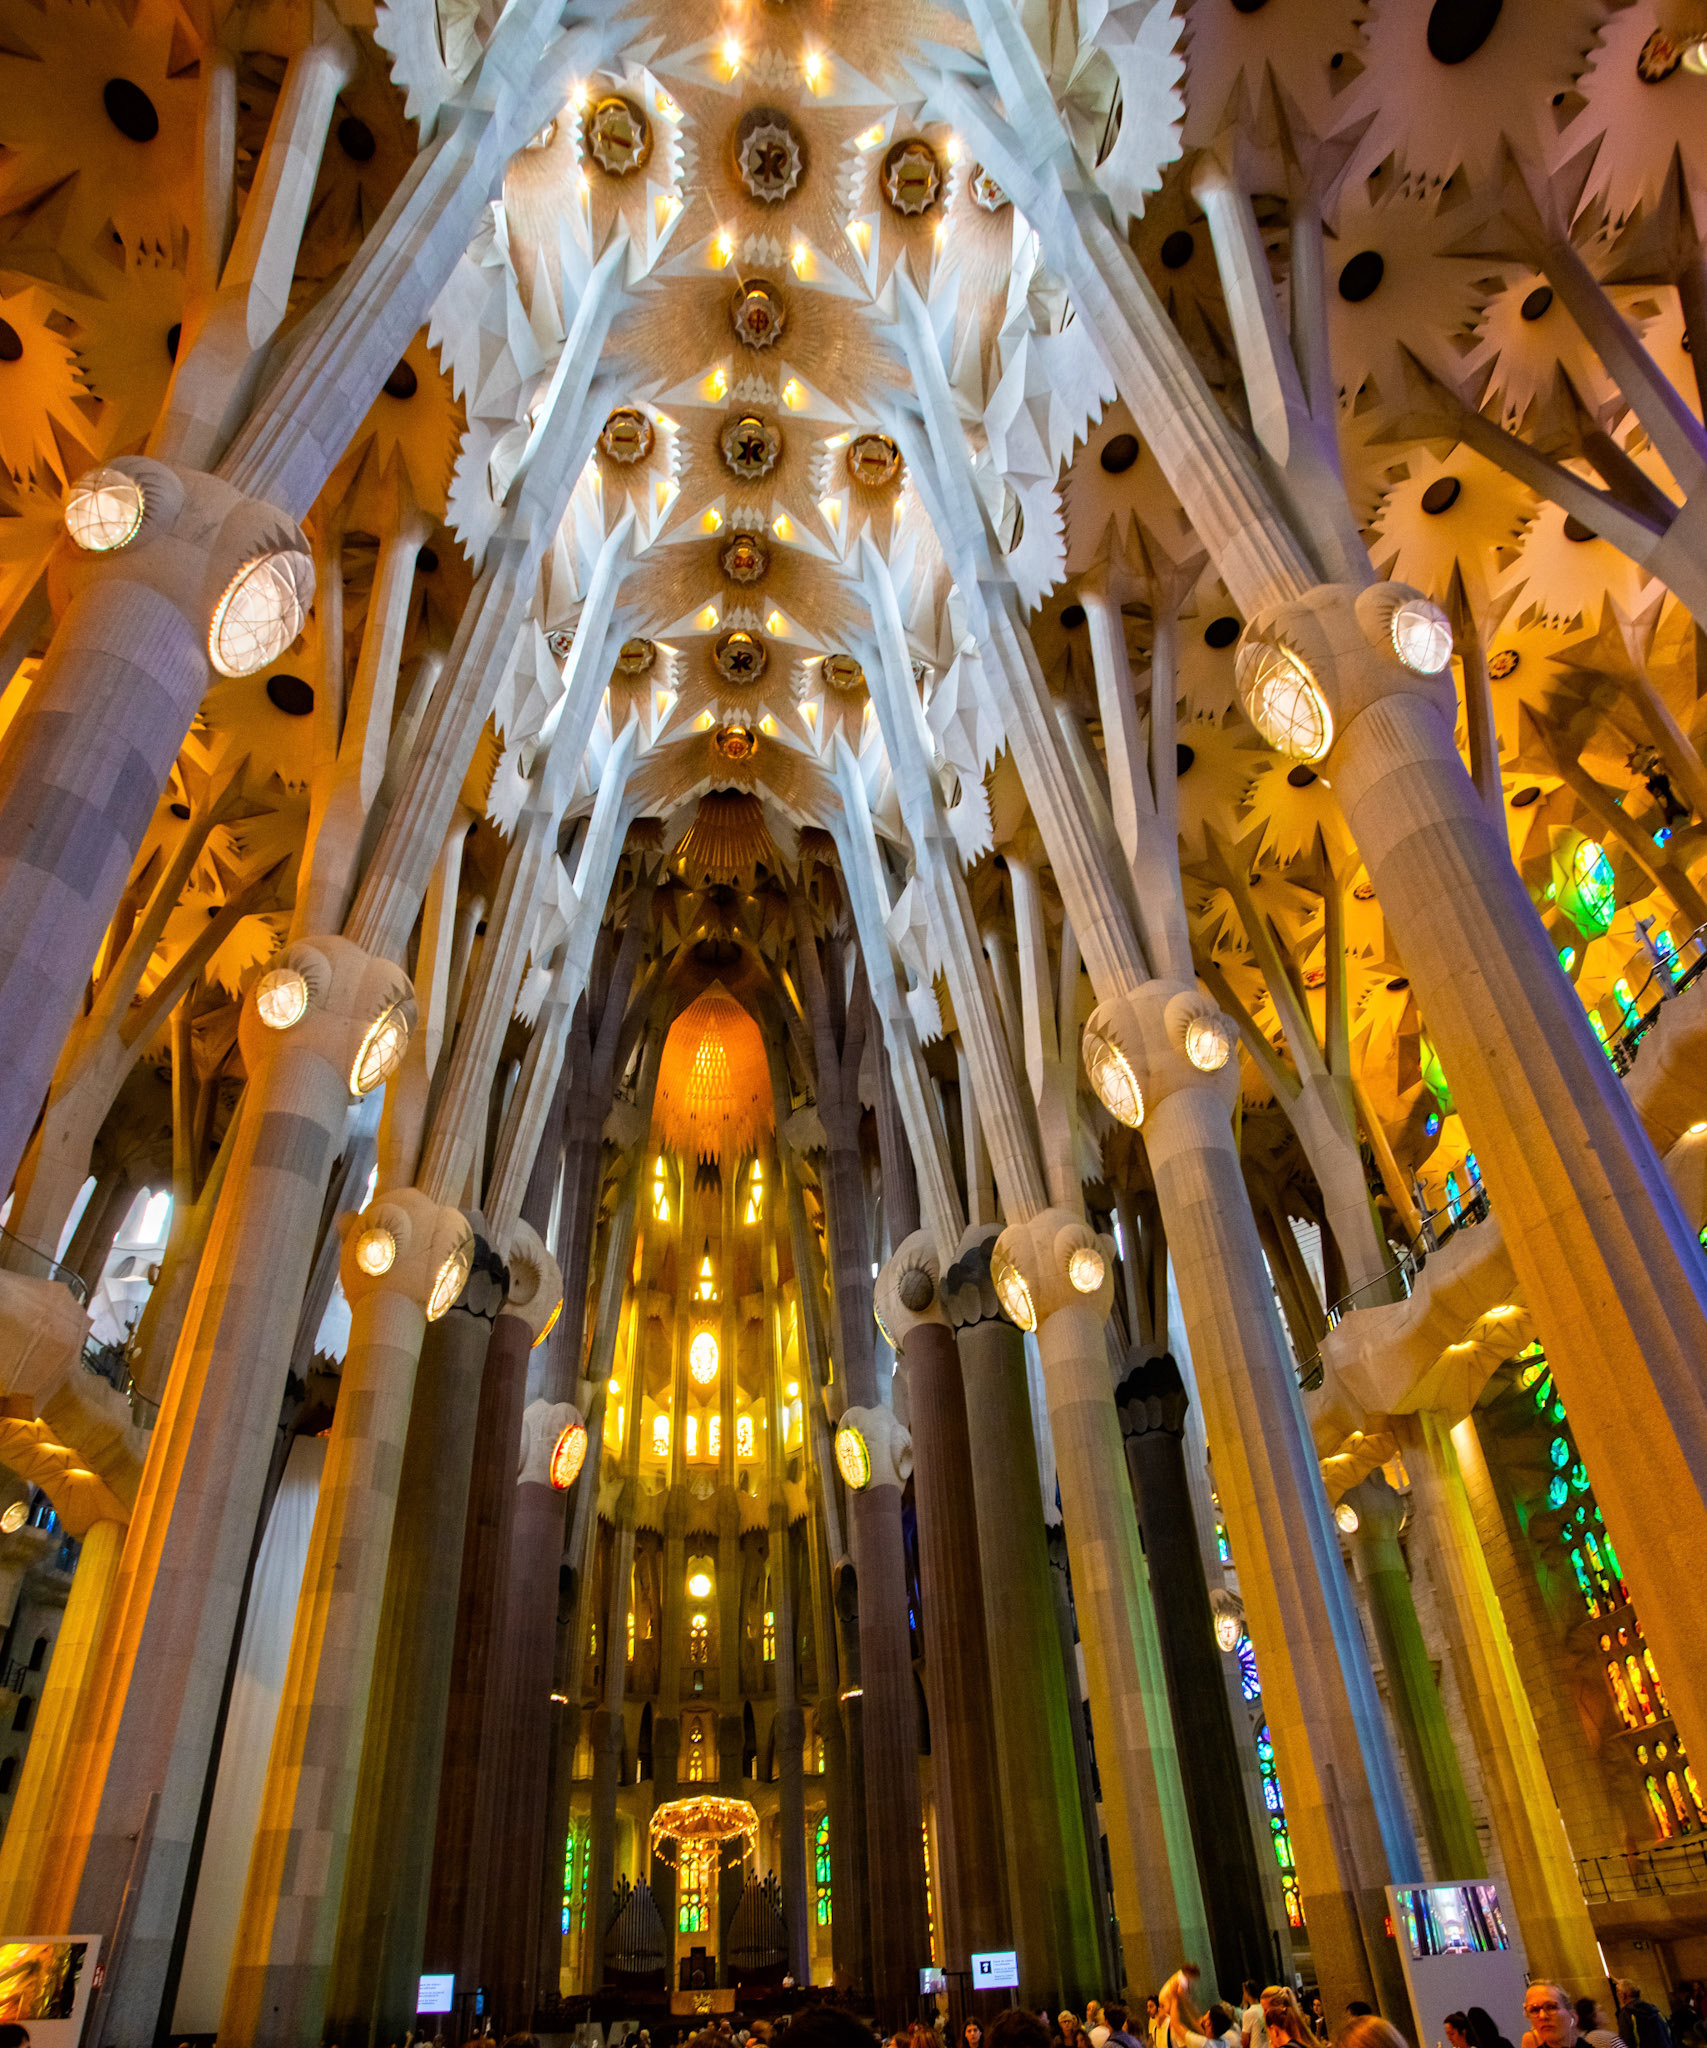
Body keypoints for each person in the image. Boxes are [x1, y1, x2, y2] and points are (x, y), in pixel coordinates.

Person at [1618, 1983, 1674, 2048]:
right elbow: (1670, 2034)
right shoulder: (1655, 2011)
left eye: (1618, 1993)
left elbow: (1625, 2042)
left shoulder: (1627, 2014)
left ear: (1623, 1996)